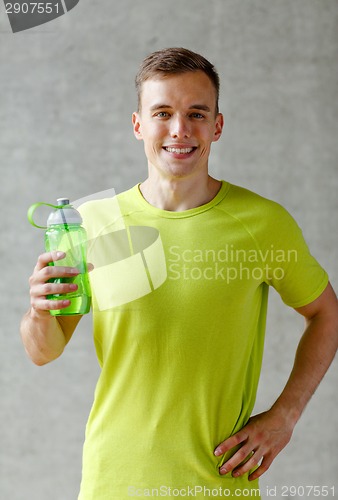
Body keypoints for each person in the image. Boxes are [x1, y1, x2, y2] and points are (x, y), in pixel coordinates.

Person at [21, 47, 338, 499]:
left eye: (196, 113)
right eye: (162, 113)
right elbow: (42, 351)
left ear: (217, 125)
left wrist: (285, 416)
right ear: (138, 125)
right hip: (113, 482)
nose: (179, 130)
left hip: (218, 484)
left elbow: (327, 313)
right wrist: (39, 312)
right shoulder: (93, 223)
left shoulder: (263, 224)